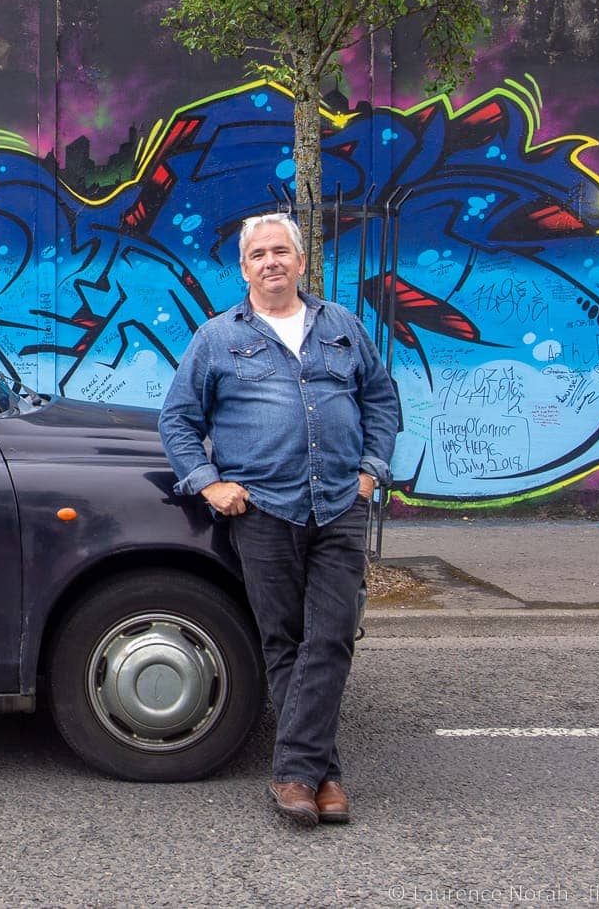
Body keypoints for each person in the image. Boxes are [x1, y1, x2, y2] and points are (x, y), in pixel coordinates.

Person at [157, 211, 401, 827]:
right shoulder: (217, 337)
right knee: (284, 641)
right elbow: (178, 420)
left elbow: (380, 398)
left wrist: (372, 468)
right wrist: (209, 483)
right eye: (258, 254)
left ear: (300, 261)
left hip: (340, 503)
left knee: (333, 637)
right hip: (263, 509)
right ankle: (324, 777)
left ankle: (296, 772)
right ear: (244, 268)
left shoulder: (341, 327)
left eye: (280, 251)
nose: (271, 262)